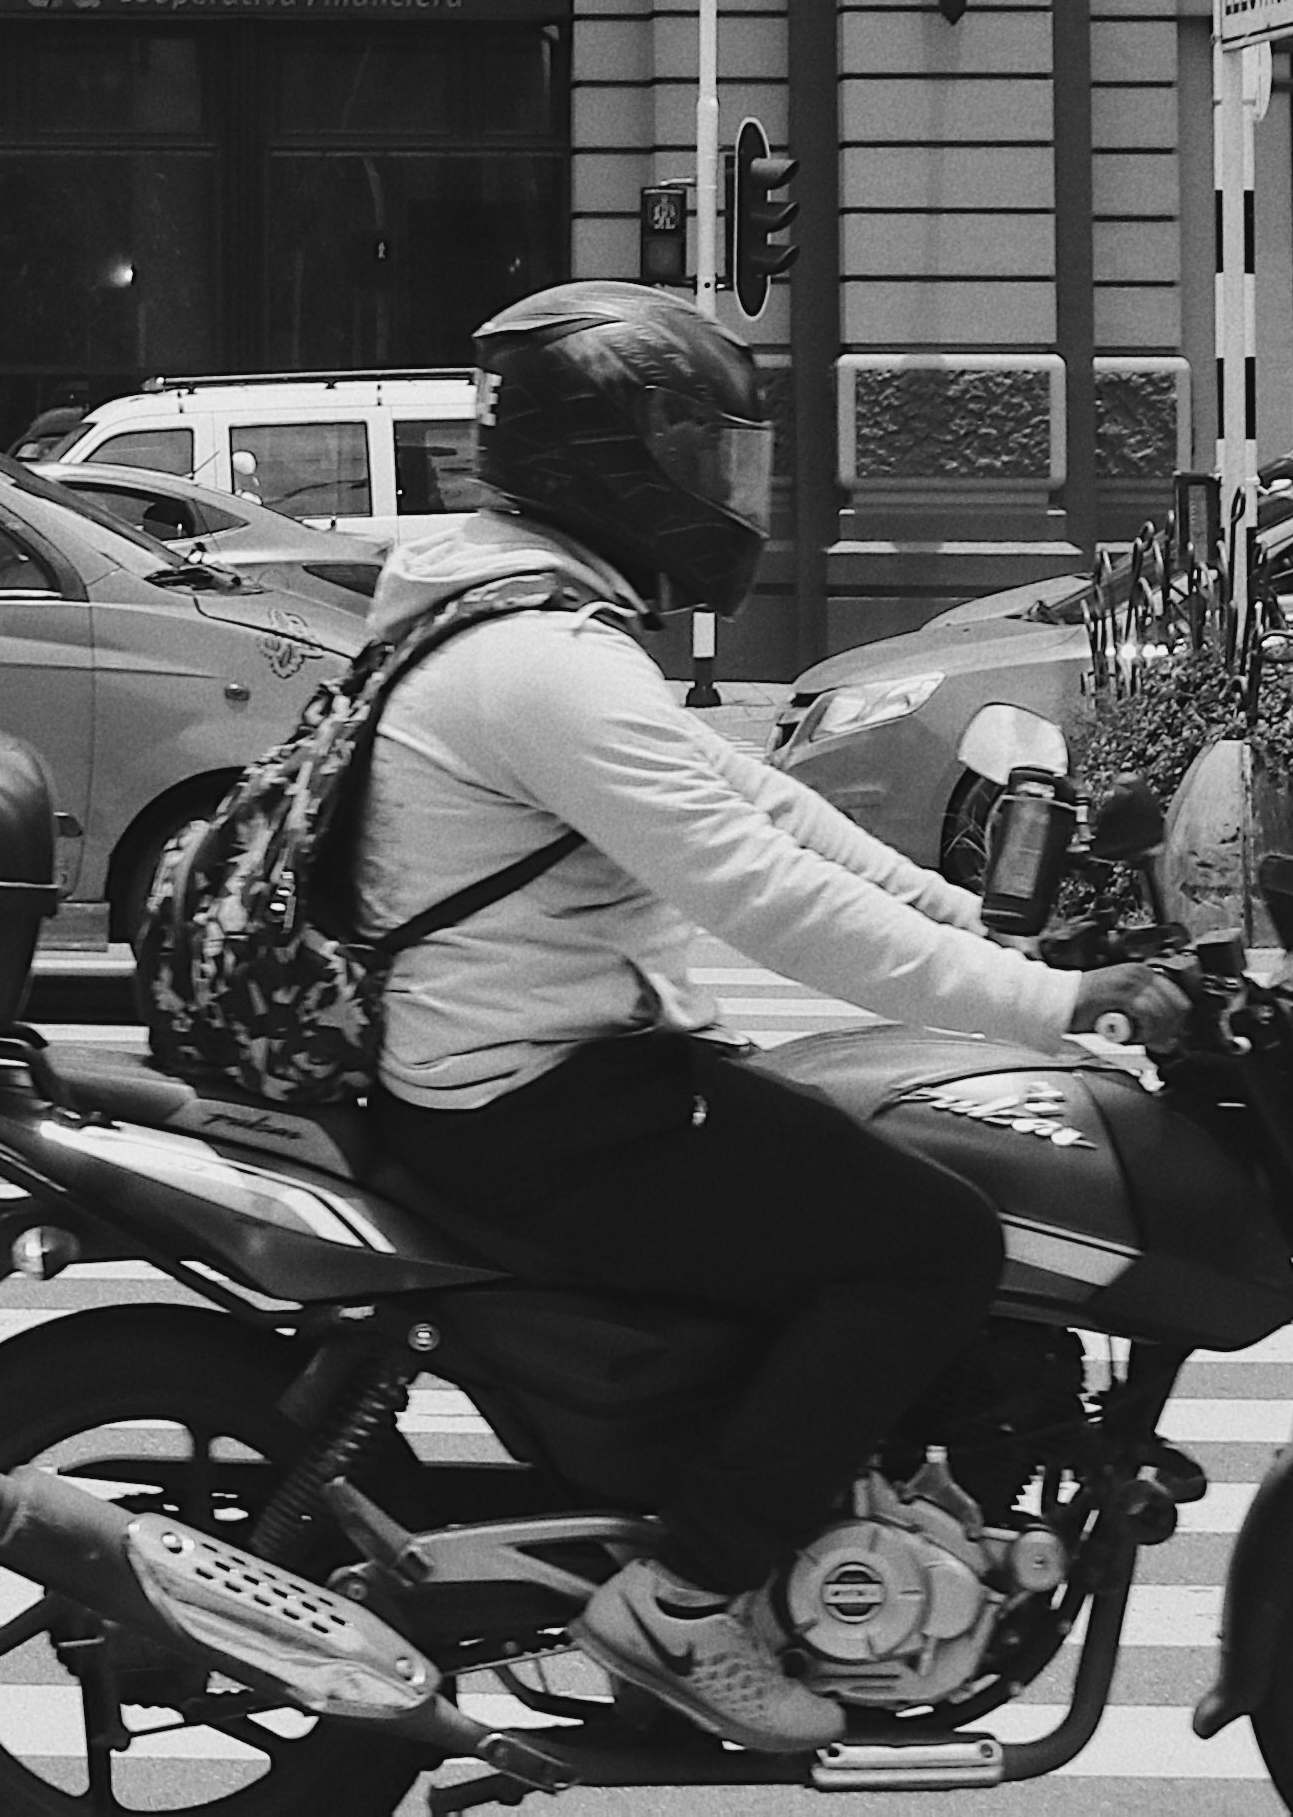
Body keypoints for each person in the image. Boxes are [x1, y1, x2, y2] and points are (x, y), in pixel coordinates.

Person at [272, 280, 1189, 1758]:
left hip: (556, 1067)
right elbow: (765, 895)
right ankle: (686, 1600)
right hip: (527, 1102)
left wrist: (989, 923)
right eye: (698, 452)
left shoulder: (530, 616)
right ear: (606, 458)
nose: (723, 489)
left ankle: (827, 1499)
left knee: (871, 1152)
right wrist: (1058, 999)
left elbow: (757, 806)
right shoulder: (537, 661)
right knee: (934, 1241)